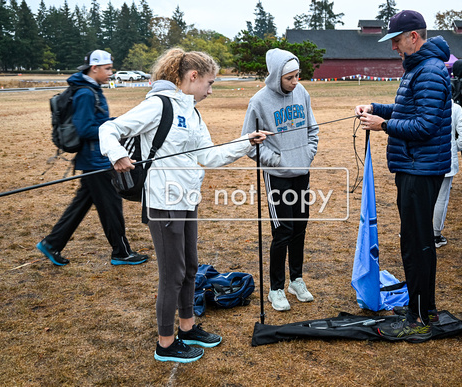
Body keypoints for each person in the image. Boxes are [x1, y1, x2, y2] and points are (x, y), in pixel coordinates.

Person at [99, 48, 270, 363]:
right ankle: (166, 344)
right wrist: (117, 154)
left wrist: (247, 141)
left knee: (190, 267)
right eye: (209, 82)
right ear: (193, 77)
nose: (210, 89)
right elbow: (109, 129)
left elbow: (209, 155)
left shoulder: (193, 113)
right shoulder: (157, 105)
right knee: (172, 273)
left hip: (188, 199)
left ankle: (188, 327)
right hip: (163, 204)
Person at [356, 10, 452, 342]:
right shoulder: (419, 68)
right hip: (414, 166)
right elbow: (409, 111)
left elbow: (424, 127)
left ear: (414, 36)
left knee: (417, 243)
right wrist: (377, 108)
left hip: (420, 168)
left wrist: (382, 126)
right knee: (415, 240)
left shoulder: (428, 71)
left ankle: (420, 315)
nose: (394, 48)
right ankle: (422, 306)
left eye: (397, 41)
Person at [36, 50, 148, 267]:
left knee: (81, 204)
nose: (110, 72)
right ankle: (121, 252)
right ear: (94, 68)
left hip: (93, 159)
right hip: (96, 160)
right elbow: (86, 129)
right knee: (111, 205)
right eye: (107, 69)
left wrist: (113, 124)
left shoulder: (90, 89)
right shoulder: (86, 93)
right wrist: (113, 126)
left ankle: (52, 243)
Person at [241, 48, 319, 312]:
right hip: (278, 177)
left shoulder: (303, 93)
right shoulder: (259, 102)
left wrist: (307, 155)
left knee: (300, 227)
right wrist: (278, 161)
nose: (295, 82)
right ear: (276, 76)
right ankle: (276, 289)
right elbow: (249, 144)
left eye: (297, 76)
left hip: (302, 172)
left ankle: (296, 280)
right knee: (283, 230)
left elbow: (313, 129)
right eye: (289, 78)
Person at [433, 101, 462, 248]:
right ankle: (435, 234)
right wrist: (453, 149)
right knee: (440, 199)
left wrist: (453, 148)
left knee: (425, 197)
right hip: (443, 160)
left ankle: (430, 233)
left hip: (427, 160)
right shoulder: (454, 108)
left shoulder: (423, 104)